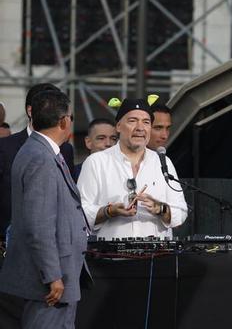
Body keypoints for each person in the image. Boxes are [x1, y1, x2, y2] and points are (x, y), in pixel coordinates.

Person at [0, 90, 89, 329]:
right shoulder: (40, 157)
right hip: (51, 280)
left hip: (58, 273)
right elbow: (39, 225)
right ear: (63, 121)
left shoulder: (40, 150)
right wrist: (52, 275)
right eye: (70, 116)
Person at [77, 97, 188, 239]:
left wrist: (160, 208)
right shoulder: (96, 162)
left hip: (158, 256)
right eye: (132, 121)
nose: (140, 128)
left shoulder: (163, 162)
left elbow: (181, 212)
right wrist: (109, 211)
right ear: (118, 126)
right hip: (111, 257)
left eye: (146, 122)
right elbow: (79, 213)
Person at [0, 83, 75, 238]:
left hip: (55, 238)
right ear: (31, 110)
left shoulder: (66, 150)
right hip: (10, 242)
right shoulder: (5, 147)